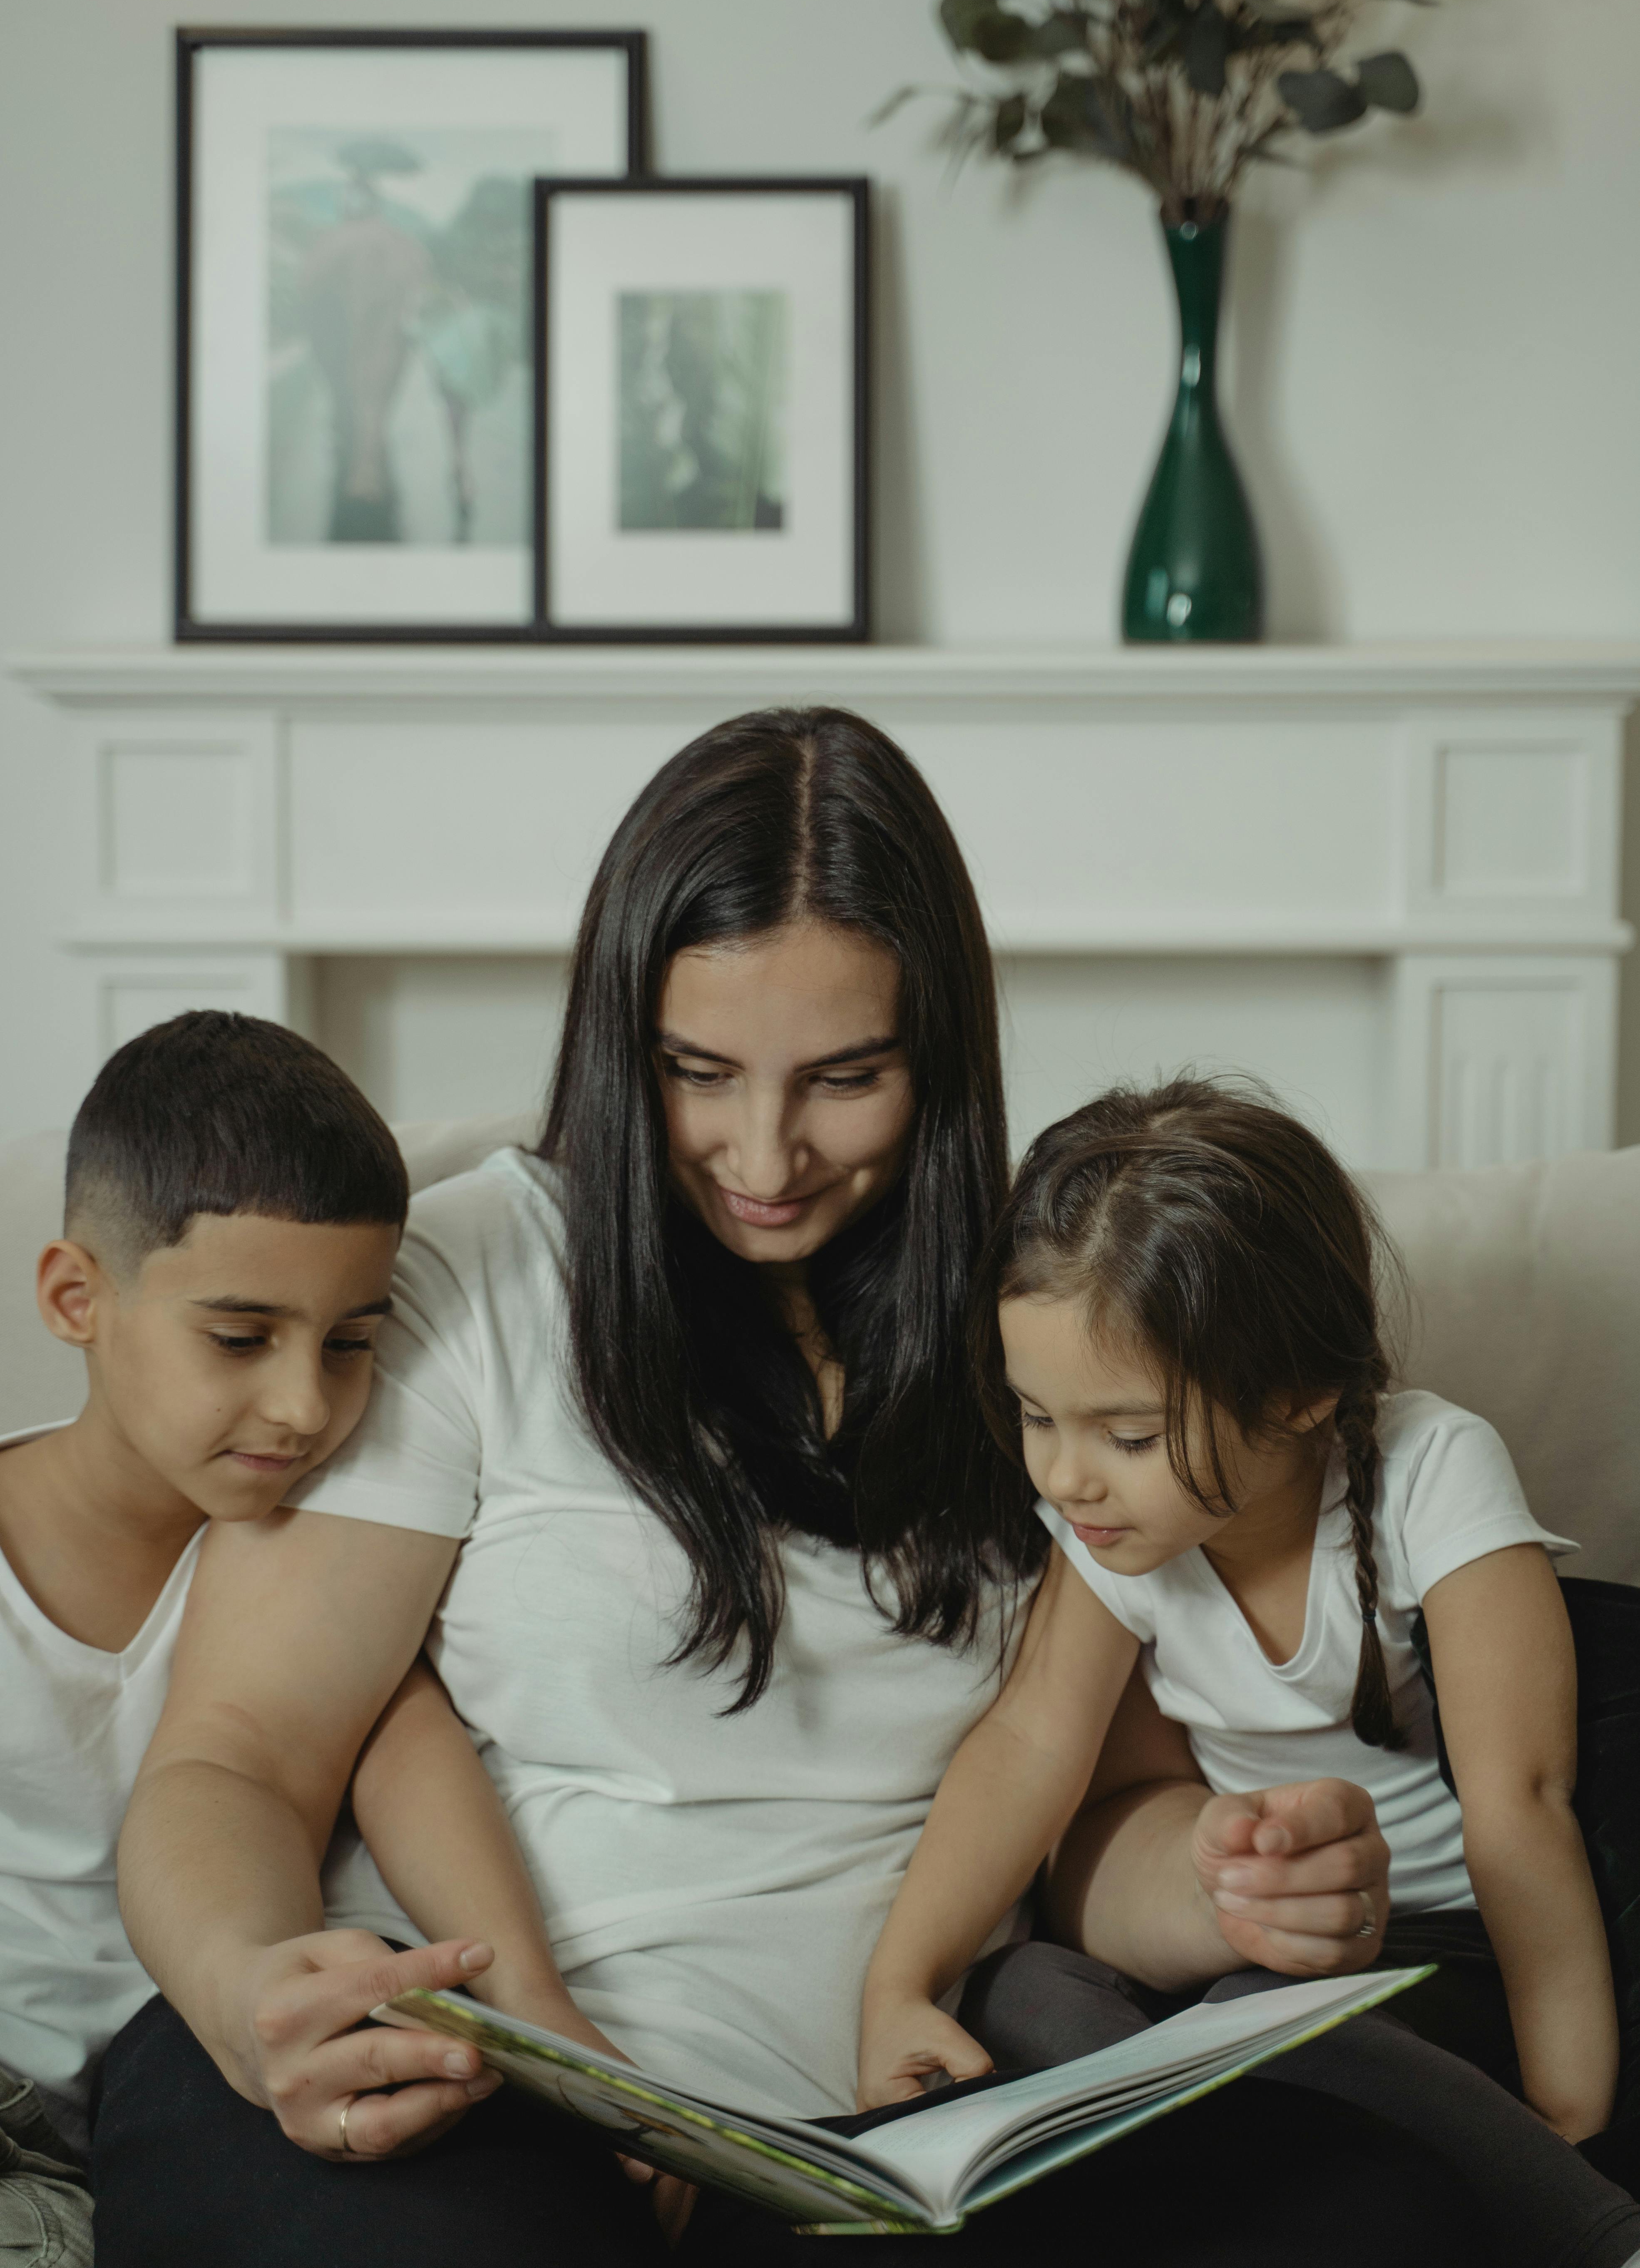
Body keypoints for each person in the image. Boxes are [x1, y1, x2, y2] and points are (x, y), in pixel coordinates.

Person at [97, 713, 1488, 2266]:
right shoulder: (468, 1274)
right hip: (469, 2079)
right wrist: (245, 1993)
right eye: (696, 1071)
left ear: (938, 1061)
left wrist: (1235, 1888)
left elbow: (1092, 1827)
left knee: (1395, 2213)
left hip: (885, 2131)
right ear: (623, 1044)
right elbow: (233, 1758)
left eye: (844, 1079)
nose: (763, 1154)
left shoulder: (1057, 1330)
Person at [858, 1074, 1640, 2261]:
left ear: (1297, 1395)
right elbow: (1028, 1743)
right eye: (1034, 1416)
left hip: (1427, 1944)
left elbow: (1517, 1801)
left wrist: (1571, 2101)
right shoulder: (1114, 1526)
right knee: (1019, 1993)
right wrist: (901, 1983)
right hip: (1238, 1957)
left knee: (1259, 2025)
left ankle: (1591, 2229)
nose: (1065, 1480)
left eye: (1124, 1435)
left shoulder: (1435, 1473)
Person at [0, 1010, 410, 2265]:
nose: (303, 1407)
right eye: (239, 1340)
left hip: (209, 2106)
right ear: (78, 1299)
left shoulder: (336, 1570)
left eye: (352, 1345)